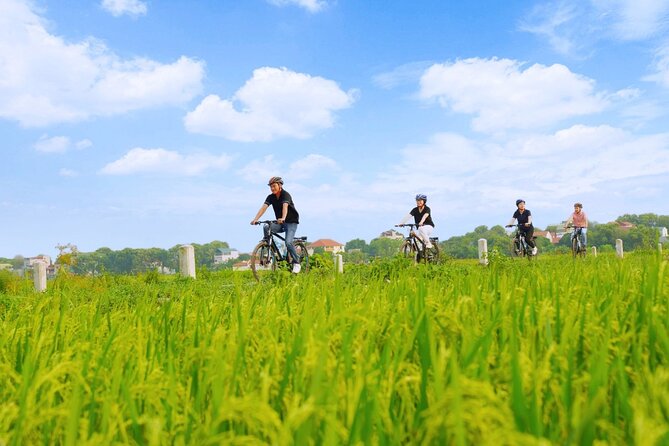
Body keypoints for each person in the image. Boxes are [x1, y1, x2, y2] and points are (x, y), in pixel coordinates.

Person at [250, 176, 301, 273]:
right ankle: (269, 248)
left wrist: (283, 218)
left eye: (274, 186)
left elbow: (285, 207)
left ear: (280, 185)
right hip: (280, 222)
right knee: (266, 226)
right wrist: (256, 219)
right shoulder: (271, 197)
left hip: (291, 222)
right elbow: (263, 208)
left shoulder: (286, 195)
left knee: (288, 242)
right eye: (271, 187)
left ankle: (296, 262)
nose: (272, 188)